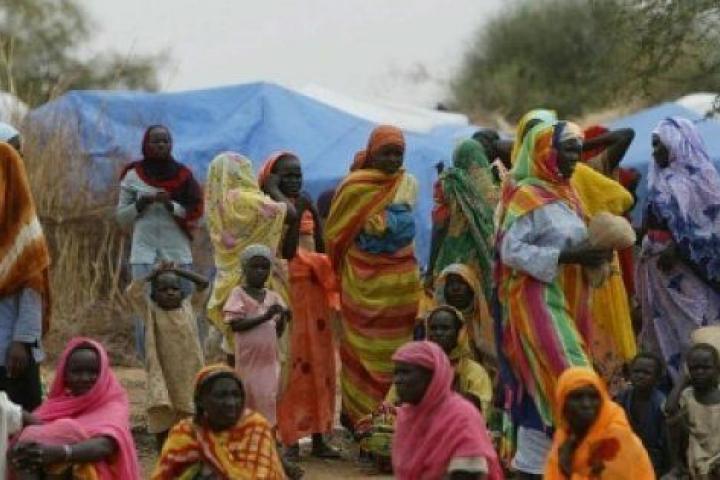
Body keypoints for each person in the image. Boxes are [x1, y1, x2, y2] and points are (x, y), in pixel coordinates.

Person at [496, 120, 611, 476]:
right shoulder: (527, 195)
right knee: (570, 372)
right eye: (569, 150)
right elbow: (509, 250)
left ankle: (545, 462)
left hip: (569, 297)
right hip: (536, 299)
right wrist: (569, 256)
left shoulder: (567, 193)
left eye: (579, 150)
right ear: (547, 152)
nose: (577, 157)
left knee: (550, 380)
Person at [324, 125, 421, 428]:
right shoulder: (353, 187)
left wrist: (383, 225)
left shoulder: (407, 182)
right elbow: (335, 233)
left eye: (398, 154)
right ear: (372, 153)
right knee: (358, 349)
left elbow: (407, 228)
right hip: (360, 281)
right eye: (386, 153)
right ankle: (359, 418)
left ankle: (393, 420)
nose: (392, 160)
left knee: (397, 352)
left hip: (400, 287)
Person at [258, 152, 340, 459]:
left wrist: (309, 210)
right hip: (287, 292)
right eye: (286, 176)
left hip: (314, 292)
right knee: (292, 363)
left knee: (320, 362)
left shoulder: (305, 201)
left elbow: (320, 246)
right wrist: (287, 206)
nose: (294, 180)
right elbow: (288, 251)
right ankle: (289, 438)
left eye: (298, 174)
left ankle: (320, 436)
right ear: (272, 178)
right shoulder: (266, 206)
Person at [637, 117, 720, 379]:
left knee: (699, 326)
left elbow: (711, 226)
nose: (654, 151)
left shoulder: (703, 180)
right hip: (658, 272)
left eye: (659, 144)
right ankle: (677, 388)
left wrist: (677, 245)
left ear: (678, 142)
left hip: (688, 270)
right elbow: (651, 223)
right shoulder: (657, 181)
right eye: (653, 145)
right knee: (665, 331)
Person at [116, 125, 204, 359]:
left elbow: (195, 212)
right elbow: (121, 218)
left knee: (186, 306)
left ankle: (188, 357)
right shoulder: (133, 175)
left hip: (177, 251)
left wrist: (170, 205)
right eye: (156, 141)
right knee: (144, 308)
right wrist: (140, 204)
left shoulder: (183, 176)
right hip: (143, 252)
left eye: (165, 141)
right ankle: (150, 360)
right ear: (146, 144)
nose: (161, 145)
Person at [9, 338, 140, 479]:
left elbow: (105, 446)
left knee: (67, 429)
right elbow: (39, 429)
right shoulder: (57, 405)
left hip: (97, 473)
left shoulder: (112, 404)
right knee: (25, 447)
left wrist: (62, 452)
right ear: (64, 375)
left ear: (103, 374)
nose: (85, 378)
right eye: (76, 372)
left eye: (93, 372)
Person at [204, 152, 287, 365]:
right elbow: (281, 211)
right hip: (255, 275)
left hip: (226, 277)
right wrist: (273, 189)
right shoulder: (243, 199)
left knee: (234, 340)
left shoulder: (215, 204)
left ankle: (236, 380)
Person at [126, 261, 208, 450]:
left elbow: (203, 284)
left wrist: (177, 270)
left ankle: (190, 457)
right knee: (163, 420)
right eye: (163, 289)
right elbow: (133, 292)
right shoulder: (150, 312)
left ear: (182, 292)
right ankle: (163, 457)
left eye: (174, 288)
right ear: (153, 295)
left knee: (191, 419)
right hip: (164, 377)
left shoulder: (189, 307)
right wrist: (152, 275)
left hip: (189, 376)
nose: (170, 292)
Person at [152, 364, 286, 479]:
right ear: (201, 400)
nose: (231, 403)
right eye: (221, 396)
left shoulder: (255, 428)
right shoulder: (185, 433)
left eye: (236, 395)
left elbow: (261, 475)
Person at [391, 341, 502, 480]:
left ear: (432, 376)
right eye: (396, 373)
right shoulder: (407, 418)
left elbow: (470, 475)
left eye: (406, 372)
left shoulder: (461, 417)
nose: (397, 380)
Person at [0, 132, 50, 412]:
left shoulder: (21, 222)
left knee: (19, 419)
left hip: (10, 345)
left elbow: (32, 287)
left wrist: (22, 340)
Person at [427, 140, 496, 323]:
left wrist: (430, 269)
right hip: (485, 263)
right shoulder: (496, 187)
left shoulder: (449, 185)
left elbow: (439, 226)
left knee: (451, 310)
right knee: (481, 308)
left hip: (453, 262)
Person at [544, 367, 654, 480]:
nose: (586, 404)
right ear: (563, 402)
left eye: (593, 397)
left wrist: (567, 472)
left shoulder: (615, 437)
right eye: (577, 397)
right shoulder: (565, 434)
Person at [223, 244, 290, 427]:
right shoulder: (238, 294)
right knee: (249, 399)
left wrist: (283, 317)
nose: (260, 271)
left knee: (268, 398)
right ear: (244, 268)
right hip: (248, 362)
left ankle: (267, 438)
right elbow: (236, 325)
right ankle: (249, 436)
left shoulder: (273, 296)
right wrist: (265, 317)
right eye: (255, 267)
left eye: (264, 267)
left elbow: (277, 331)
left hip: (268, 362)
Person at [665, 343, 720, 480]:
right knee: (673, 420)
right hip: (698, 452)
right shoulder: (688, 395)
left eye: (706, 368)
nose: (699, 372)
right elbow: (669, 409)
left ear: (717, 369)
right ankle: (678, 466)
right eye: (694, 368)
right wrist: (682, 381)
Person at [614, 352, 671, 477]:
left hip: (653, 459)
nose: (640, 376)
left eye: (646, 373)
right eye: (636, 371)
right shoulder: (624, 396)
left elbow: (667, 444)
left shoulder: (661, 404)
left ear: (657, 379)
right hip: (626, 454)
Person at [432, 263, 496, 371]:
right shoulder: (435, 325)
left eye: (461, 282)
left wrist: (483, 349)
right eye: (450, 283)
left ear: (472, 288)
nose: (455, 288)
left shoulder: (489, 325)